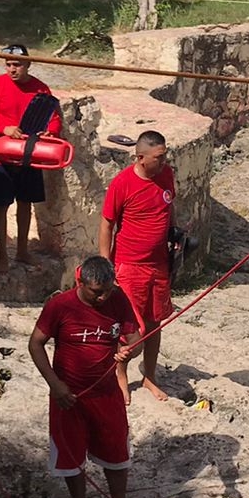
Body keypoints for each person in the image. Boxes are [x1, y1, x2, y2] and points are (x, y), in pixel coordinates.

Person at [29, 256, 149, 498]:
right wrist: (55, 385)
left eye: (107, 289)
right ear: (79, 282)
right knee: (71, 458)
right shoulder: (60, 306)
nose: (103, 296)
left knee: (118, 453)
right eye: (97, 292)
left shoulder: (117, 299)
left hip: (106, 393)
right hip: (69, 396)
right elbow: (35, 344)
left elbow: (137, 339)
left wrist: (130, 351)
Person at [99, 130, 176, 402]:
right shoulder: (122, 184)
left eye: (165, 155)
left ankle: (150, 377)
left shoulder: (166, 175)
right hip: (129, 266)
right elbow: (107, 223)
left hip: (159, 264)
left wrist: (175, 233)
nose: (164, 161)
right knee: (132, 329)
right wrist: (105, 265)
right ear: (141, 158)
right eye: (159, 157)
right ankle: (121, 374)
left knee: (155, 322)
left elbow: (169, 207)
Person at [0, 44, 62, 273]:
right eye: (8, 64)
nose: (12, 69)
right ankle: (3, 255)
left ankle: (22, 251)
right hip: (1, 155)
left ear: (28, 64)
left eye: (17, 64)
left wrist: (50, 132)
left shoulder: (41, 89)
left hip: (30, 154)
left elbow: (53, 117)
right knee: (1, 205)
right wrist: (4, 128)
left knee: (25, 203)